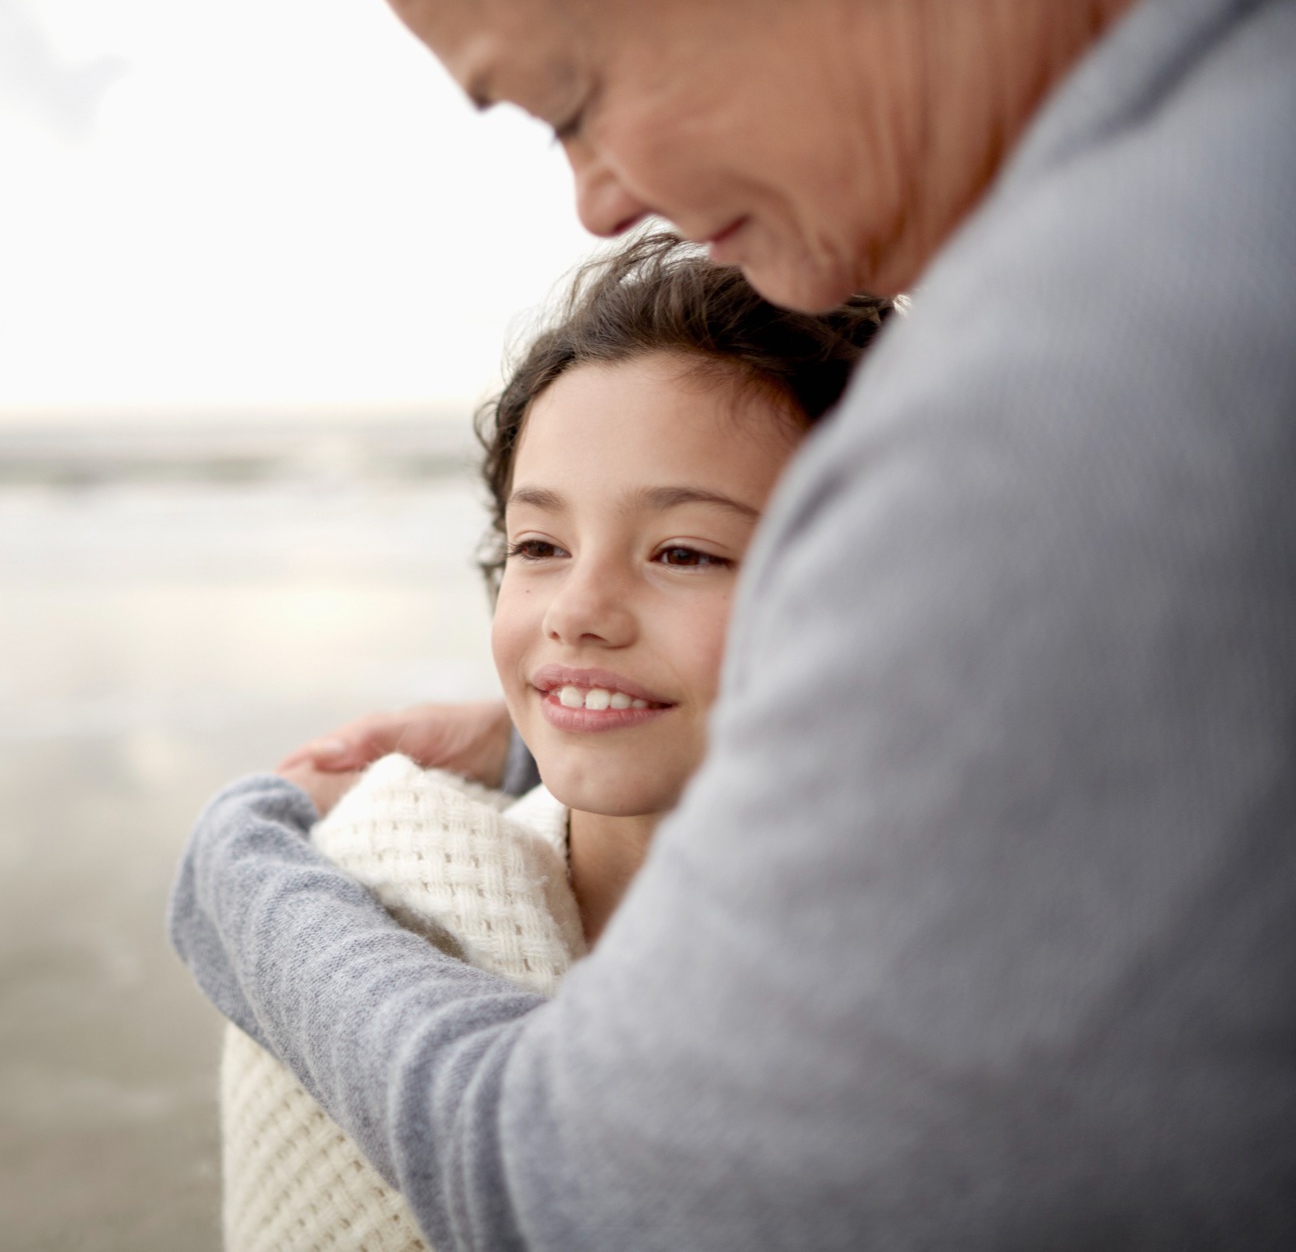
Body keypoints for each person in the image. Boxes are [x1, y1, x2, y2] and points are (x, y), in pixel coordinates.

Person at [171, 0, 1296, 1248]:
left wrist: (241, 871)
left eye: (573, 95)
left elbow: (600, 1189)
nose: (596, 195)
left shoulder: (1101, 370)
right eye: (533, 544)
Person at [220, 233, 891, 1251]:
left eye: (684, 551)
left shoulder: (963, 985)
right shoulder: (386, 891)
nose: (576, 611)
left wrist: (232, 848)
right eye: (539, 545)